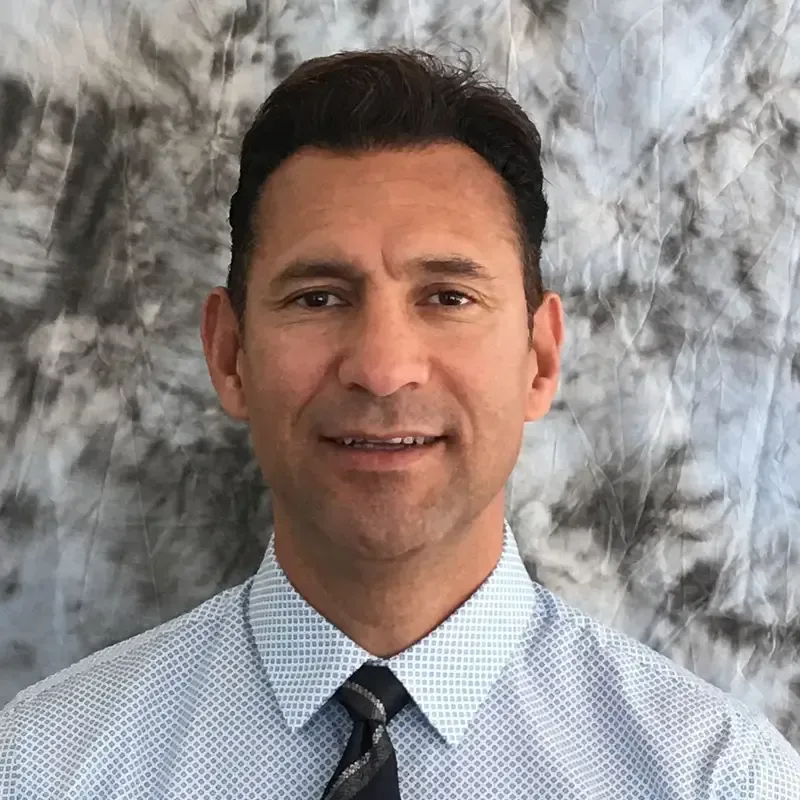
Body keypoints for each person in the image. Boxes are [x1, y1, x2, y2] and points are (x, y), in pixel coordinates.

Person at [1, 48, 799, 800]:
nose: (382, 369)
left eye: (448, 296)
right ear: (231, 353)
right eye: (318, 297)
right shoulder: (43, 766)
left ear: (541, 359)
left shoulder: (715, 777)